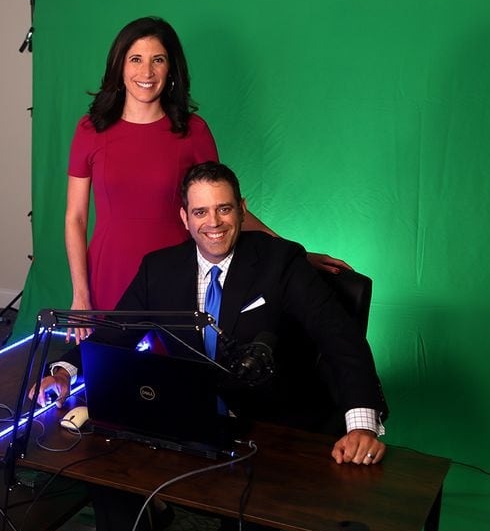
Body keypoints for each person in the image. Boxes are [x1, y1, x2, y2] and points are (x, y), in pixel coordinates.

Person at [38, 161, 388, 531]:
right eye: (200, 211)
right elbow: (114, 331)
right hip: (188, 415)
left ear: (242, 210)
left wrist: (360, 422)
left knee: (259, 505)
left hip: (271, 420)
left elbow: (341, 341)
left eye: (224, 209)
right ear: (184, 218)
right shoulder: (161, 268)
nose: (214, 222)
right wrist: (63, 370)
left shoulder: (281, 262)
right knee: (105, 470)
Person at [65, 17, 348, 327]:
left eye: (157, 60)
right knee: (111, 366)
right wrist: (81, 294)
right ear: (120, 65)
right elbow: (76, 218)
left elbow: (225, 211)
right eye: (136, 59)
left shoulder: (193, 132)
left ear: (171, 69)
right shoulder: (90, 130)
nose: (146, 72)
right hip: (109, 272)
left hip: (178, 272)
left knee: (177, 368)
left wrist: (294, 254)